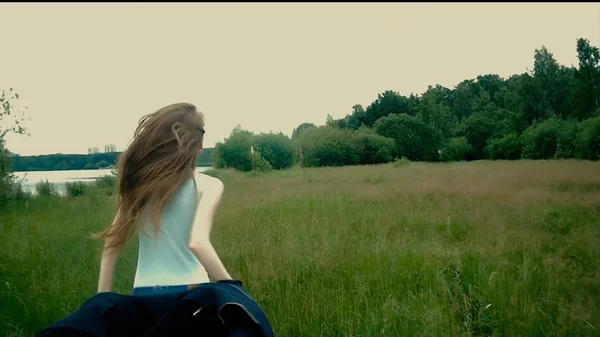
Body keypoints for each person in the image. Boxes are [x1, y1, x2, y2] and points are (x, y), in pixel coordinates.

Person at [94, 102, 232, 296]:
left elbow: (112, 244)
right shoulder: (209, 185)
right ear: (199, 145)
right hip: (192, 290)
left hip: (143, 293)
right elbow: (198, 243)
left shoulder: (140, 187)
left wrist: (101, 299)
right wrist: (235, 289)